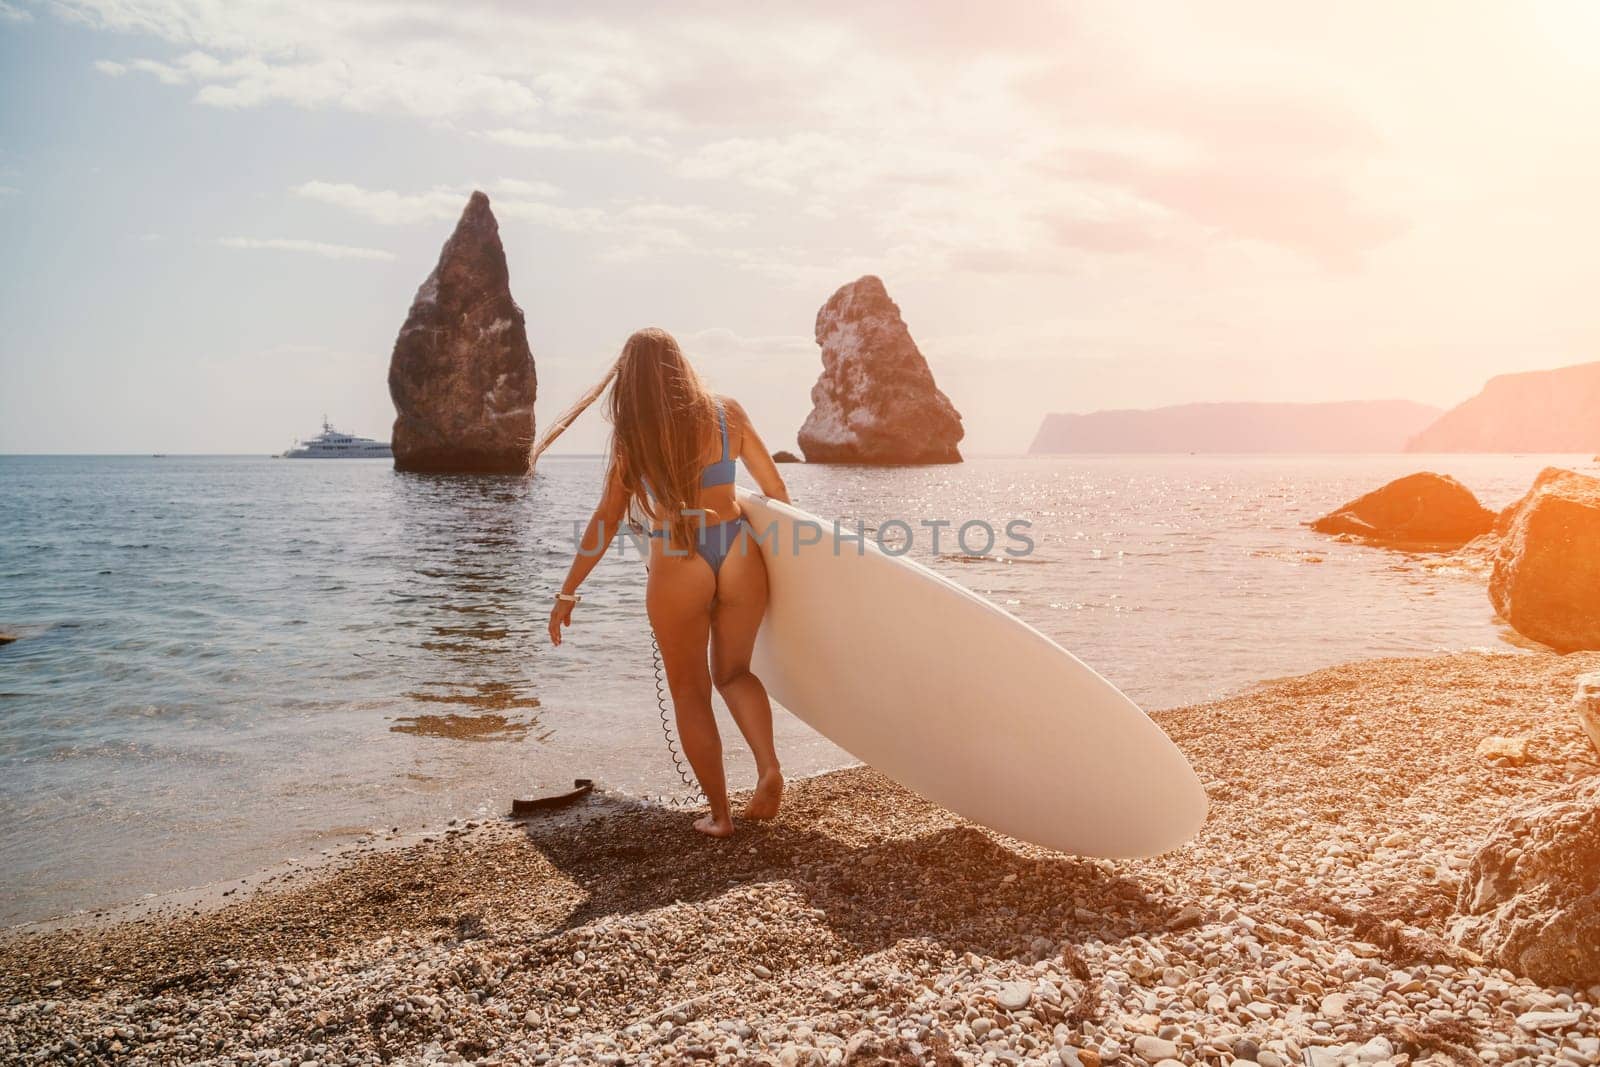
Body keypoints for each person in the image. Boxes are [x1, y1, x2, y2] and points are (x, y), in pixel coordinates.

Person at [535, 327, 790, 838]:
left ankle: (720, 816)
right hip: (738, 546)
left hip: (678, 554)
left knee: (690, 689)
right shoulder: (728, 413)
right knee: (735, 673)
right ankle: (768, 768)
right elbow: (775, 490)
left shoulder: (635, 436)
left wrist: (568, 592)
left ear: (630, 382)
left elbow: (607, 519)